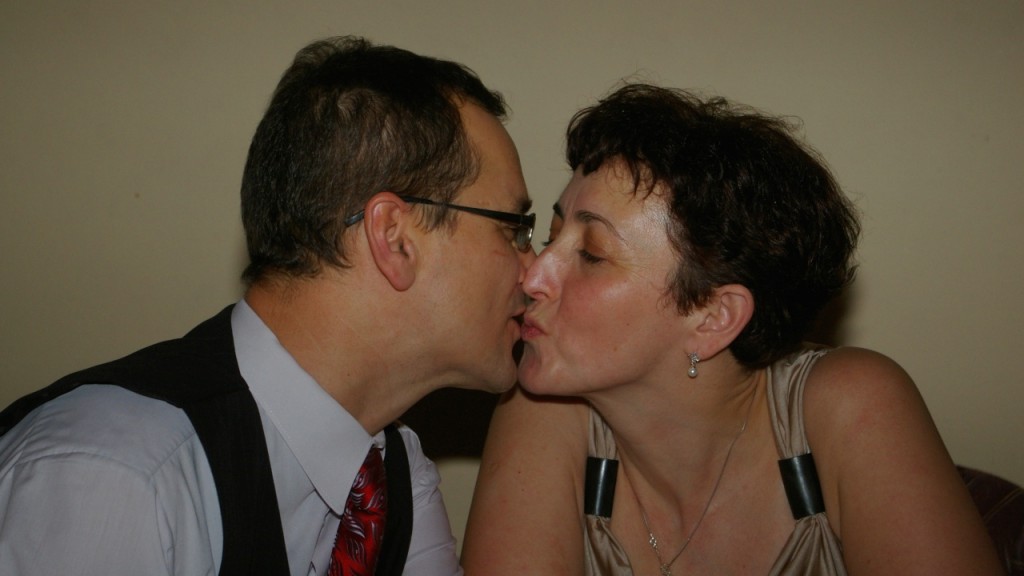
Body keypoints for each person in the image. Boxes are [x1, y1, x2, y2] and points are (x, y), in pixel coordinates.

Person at [0, 36, 535, 576]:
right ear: (395, 238)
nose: (535, 269)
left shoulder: (392, 475)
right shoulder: (118, 477)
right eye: (514, 229)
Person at [462, 84, 1002, 575]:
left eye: (593, 254)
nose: (532, 274)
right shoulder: (542, 399)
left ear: (714, 317)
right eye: (551, 236)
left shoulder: (852, 405)